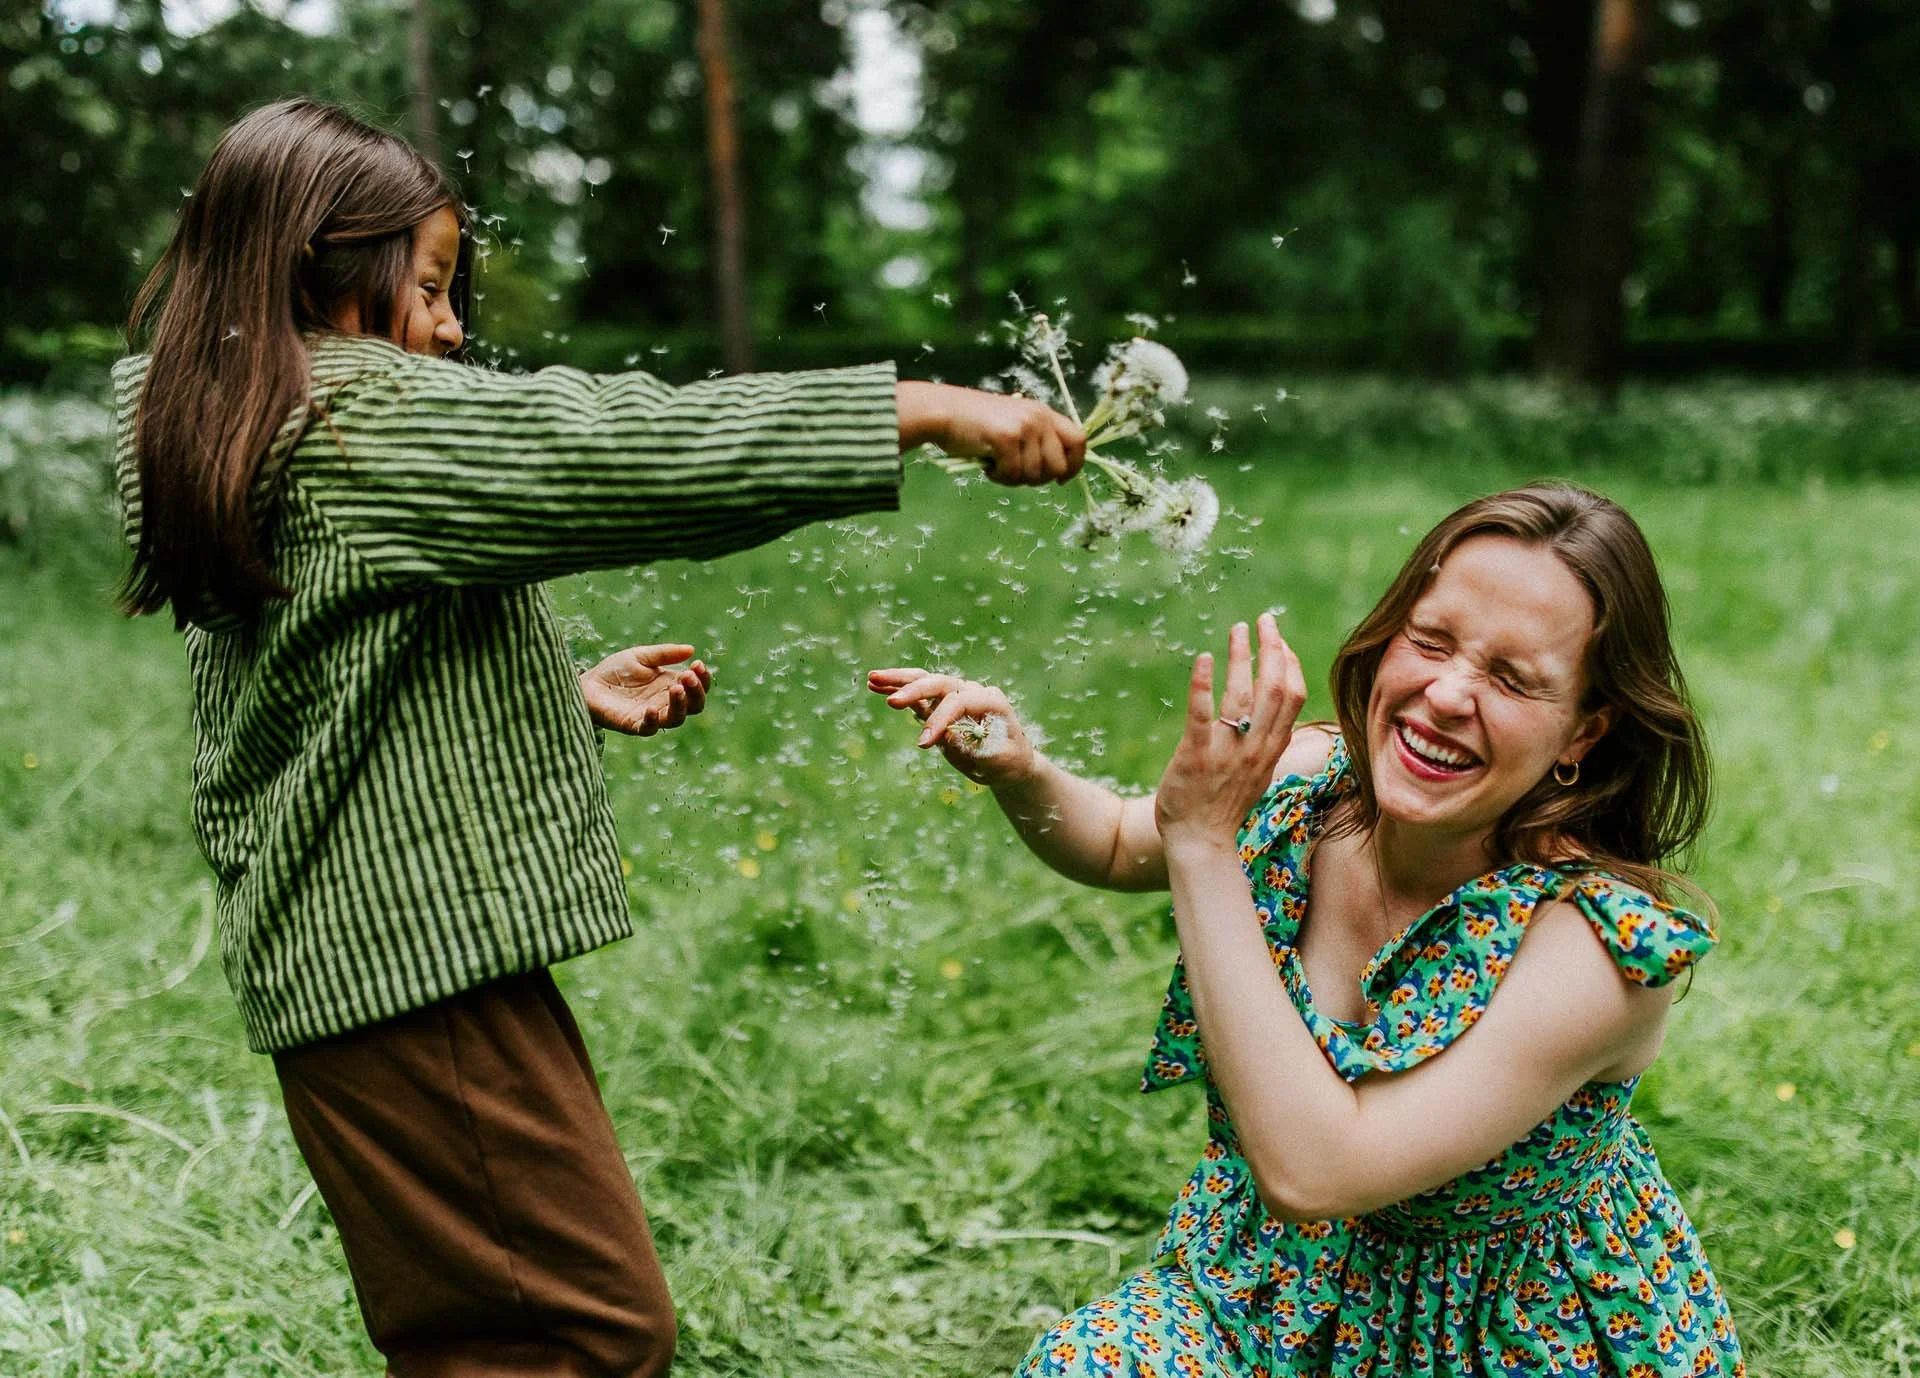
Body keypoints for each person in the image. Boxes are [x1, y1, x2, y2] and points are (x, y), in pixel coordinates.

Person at [112, 97, 1084, 1377]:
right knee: (584, 1333)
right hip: (412, 975)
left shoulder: (236, 425)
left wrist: (549, 691)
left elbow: (305, 689)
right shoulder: (349, 419)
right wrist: (916, 408)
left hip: (366, 962)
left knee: (493, 1330)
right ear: (325, 268)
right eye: (434, 283)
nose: (454, 324)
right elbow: (619, 449)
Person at [871, 484, 1744, 1377]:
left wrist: (1207, 847)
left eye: (1513, 678)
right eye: (1431, 640)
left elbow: (1316, 1173)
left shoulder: (1594, 950)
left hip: (1507, 1342)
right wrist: (1021, 770)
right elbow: (1124, 841)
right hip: (1273, 1296)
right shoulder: (1311, 778)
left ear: (1584, 733)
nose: (1446, 694)